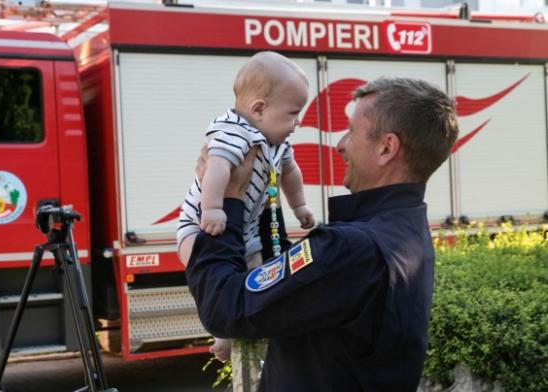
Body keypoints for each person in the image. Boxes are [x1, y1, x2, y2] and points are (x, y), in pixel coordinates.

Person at [185, 77, 459, 391]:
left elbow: (226, 307)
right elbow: (290, 288)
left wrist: (229, 198)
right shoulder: (405, 232)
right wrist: (258, 199)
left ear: (387, 148)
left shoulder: (351, 249)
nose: (341, 144)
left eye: (352, 131)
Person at [176, 52, 315, 360]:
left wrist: (300, 206)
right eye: (292, 114)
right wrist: (212, 208)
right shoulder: (233, 132)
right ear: (259, 109)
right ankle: (221, 334)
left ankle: (238, 327)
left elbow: (291, 173)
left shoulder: (277, 142)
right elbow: (216, 168)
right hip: (197, 226)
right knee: (208, 272)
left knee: (251, 282)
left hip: (246, 230)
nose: (298, 122)